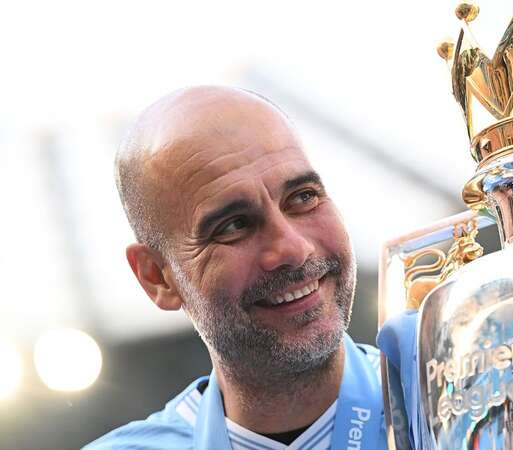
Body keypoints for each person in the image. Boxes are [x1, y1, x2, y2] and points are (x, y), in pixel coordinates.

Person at [84, 86, 385, 450]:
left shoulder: (451, 399)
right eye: (233, 225)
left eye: (303, 197)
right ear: (157, 278)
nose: (293, 248)